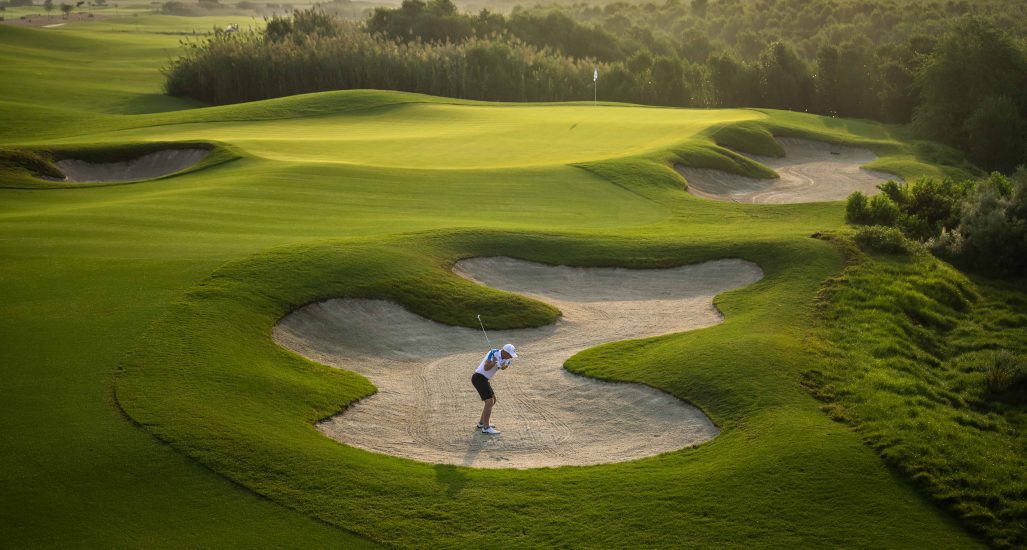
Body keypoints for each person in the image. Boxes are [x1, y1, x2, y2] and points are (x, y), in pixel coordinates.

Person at [470, 343, 517, 434]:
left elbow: (505, 367)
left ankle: (481, 423)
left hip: (485, 379)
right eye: (510, 354)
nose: (511, 357)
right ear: (505, 351)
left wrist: (501, 366)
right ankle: (486, 428)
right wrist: (494, 363)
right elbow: (486, 367)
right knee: (489, 401)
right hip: (479, 377)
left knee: (493, 400)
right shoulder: (493, 352)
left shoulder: (507, 358)